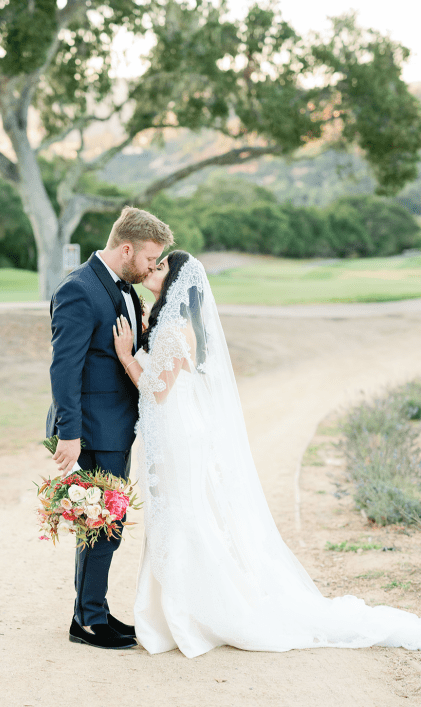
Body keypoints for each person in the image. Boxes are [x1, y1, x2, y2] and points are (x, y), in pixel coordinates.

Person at [113, 251, 421, 658]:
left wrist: (125, 355)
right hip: (176, 428)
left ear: (176, 284)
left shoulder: (175, 330)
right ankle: (175, 612)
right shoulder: (172, 324)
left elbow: (156, 390)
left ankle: (190, 615)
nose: (152, 269)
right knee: (182, 513)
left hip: (176, 432)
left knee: (183, 515)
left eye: (162, 266)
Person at [46, 205, 174, 650]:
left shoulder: (123, 289)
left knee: (107, 524)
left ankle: (93, 611)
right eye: (149, 259)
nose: (152, 267)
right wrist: (69, 432)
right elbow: (64, 369)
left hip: (117, 427)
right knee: (100, 524)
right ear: (126, 249)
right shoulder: (79, 290)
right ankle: (87, 621)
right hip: (93, 430)